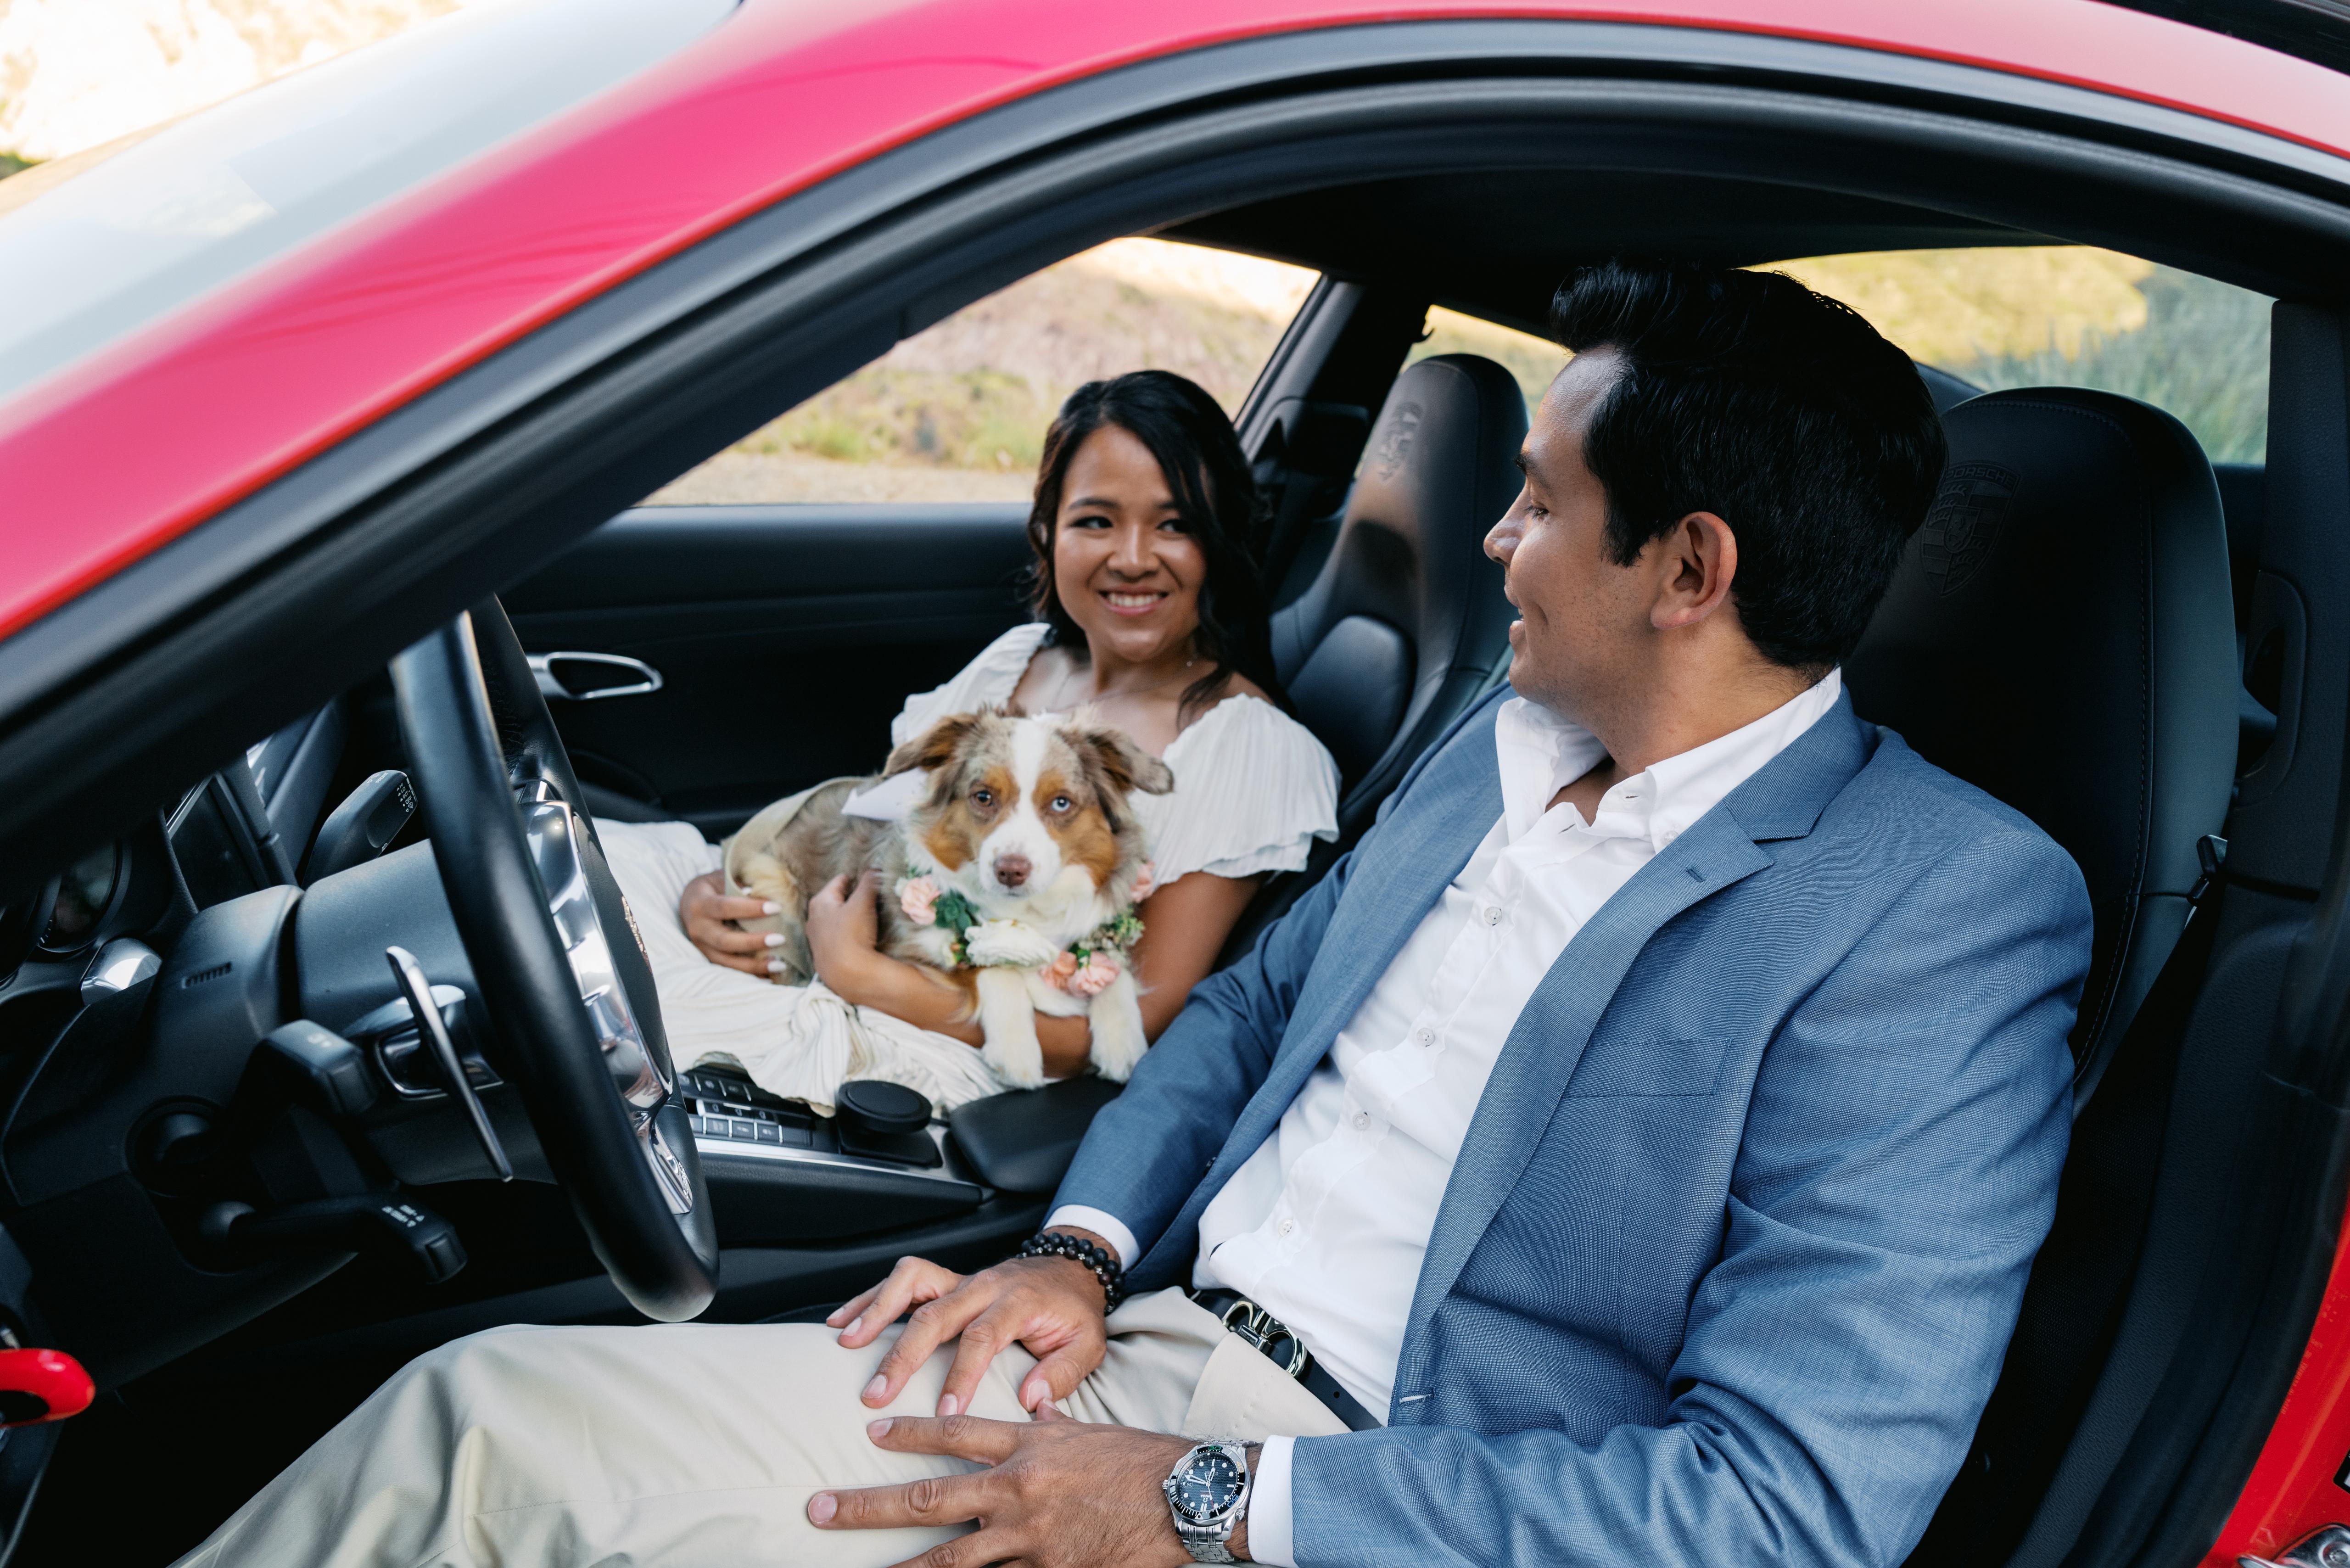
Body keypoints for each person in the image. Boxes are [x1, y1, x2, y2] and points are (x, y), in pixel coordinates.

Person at [171, 258, 2090, 1568]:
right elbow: (1249, 1017)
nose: (1493, 543)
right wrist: (1079, 1250)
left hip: (1360, 1495)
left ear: (1687, 566)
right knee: (481, 1420)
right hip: (1135, 1346)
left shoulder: (1940, 911)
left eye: (1535, 503)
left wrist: (1203, 1499)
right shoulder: (1495, 746)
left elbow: (1784, 1506)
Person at [599, 369, 1339, 1110]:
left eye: (1174, 525)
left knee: (593, 1037)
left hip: (968, 1055)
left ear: (1221, 540)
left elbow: (1134, 1029)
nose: (1134, 556)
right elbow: (879, 822)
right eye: (1096, 521)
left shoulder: (1248, 747)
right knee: (587, 904)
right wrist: (725, 893)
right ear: (1048, 532)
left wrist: (861, 974)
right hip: (855, 949)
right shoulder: (1018, 663)